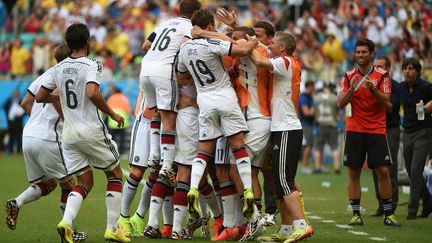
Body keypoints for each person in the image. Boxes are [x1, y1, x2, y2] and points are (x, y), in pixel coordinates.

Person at [35, 23, 130, 243]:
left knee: (84, 182)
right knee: (115, 174)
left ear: (68, 44)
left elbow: (40, 97)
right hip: (91, 130)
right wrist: (113, 114)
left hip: (68, 133)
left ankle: (66, 222)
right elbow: (92, 92)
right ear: (88, 42)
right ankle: (112, 228)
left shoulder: (57, 68)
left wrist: (59, 97)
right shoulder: (92, 64)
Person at [176, 9, 258, 241]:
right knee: (238, 144)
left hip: (204, 100)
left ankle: (193, 188)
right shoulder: (212, 44)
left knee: (204, 149)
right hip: (225, 97)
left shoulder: (184, 49)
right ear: (209, 27)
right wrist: (251, 40)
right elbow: (241, 48)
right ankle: (249, 189)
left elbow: (181, 76)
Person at [4, 43, 87, 242]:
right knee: (70, 184)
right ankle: (68, 231)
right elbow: (57, 97)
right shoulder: (66, 74)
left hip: (29, 135)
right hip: (48, 137)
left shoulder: (45, 75)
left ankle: (16, 202)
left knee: (49, 183)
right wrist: (66, 121)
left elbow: (25, 102)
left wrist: (35, 121)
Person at [249, 31, 314, 242]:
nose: (269, 43)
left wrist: (241, 42)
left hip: (287, 128)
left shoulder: (284, 62)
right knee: (280, 182)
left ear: (283, 48)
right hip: (281, 128)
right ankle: (286, 230)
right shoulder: (286, 60)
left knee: (285, 182)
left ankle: (301, 225)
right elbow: (261, 46)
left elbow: (258, 57)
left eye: (273, 42)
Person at [337, 38, 400, 227]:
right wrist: (351, 90)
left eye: (364, 52)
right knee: (354, 172)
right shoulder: (348, 76)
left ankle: (388, 213)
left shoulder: (382, 76)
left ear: (372, 54)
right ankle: (356, 214)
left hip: (376, 129)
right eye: (358, 52)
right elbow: (340, 103)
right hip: (354, 129)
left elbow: (387, 104)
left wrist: (373, 91)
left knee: (383, 170)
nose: (360, 55)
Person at [140, 0, 202, 186]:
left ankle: (153, 155)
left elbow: (145, 45)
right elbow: (184, 45)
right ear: (196, 13)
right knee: (169, 116)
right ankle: (166, 165)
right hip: (165, 70)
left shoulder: (164, 23)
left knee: (156, 112)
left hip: (146, 69)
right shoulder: (190, 26)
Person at [399, 58, 432, 219]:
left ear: (418, 72)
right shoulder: (401, 87)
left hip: (424, 132)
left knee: (415, 169)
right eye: (405, 68)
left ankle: (412, 210)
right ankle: (428, 200)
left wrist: (428, 107)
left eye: (411, 68)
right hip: (407, 131)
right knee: (412, 173)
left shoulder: (426, 86)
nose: (407, 71)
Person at [371, 56, 400, 216]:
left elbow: (391, 108)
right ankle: (381, 204)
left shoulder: (395, 85)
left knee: (389, 168)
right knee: (376, 167)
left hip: (390, 129)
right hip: (374, 129)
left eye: (380, 67)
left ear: (388, 68)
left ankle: (391, 205)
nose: (376, 70)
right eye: (375, 67)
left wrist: (375, 92)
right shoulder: (370, 82)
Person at [313, 82, 340, 174]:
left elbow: (314, 110)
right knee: (334, 147)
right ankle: (336, 168)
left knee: (318, 147)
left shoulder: (317, 97)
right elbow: (338, 110)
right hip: (332, 124)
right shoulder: (334, 97)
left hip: (321, 124)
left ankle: (317, 167)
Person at [107, 85, 131, 155]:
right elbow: (128, 110)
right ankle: (121, 152)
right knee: (122, 139)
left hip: (112, 121)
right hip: (123, 122)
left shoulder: (110, 98)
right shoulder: (124, 99)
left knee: (112, 138)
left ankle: (112, 151)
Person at [299, 80, 315, 174]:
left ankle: (306, 166)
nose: (314, 89)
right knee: (308, 145)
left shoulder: (309, 97)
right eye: (313, 86)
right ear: (309, 86)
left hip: (308, 124)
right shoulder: (304, 97)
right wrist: (314, 110)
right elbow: (306, 112)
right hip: (305, 124)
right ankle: (305, 166)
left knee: (309, 145)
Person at [3, 89, 25, 154]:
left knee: (18, 137)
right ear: (13, 94)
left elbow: (25, 110)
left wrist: (20, 115)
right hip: (11, 123)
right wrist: (8, 115)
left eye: (17, 93)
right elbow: (5, 107)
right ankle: (10, 151)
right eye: (15, 93)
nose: (16, 94)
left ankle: (18, 150)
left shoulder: (21, 101)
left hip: (18, 122)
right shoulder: (9, 101)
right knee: (11, 137)